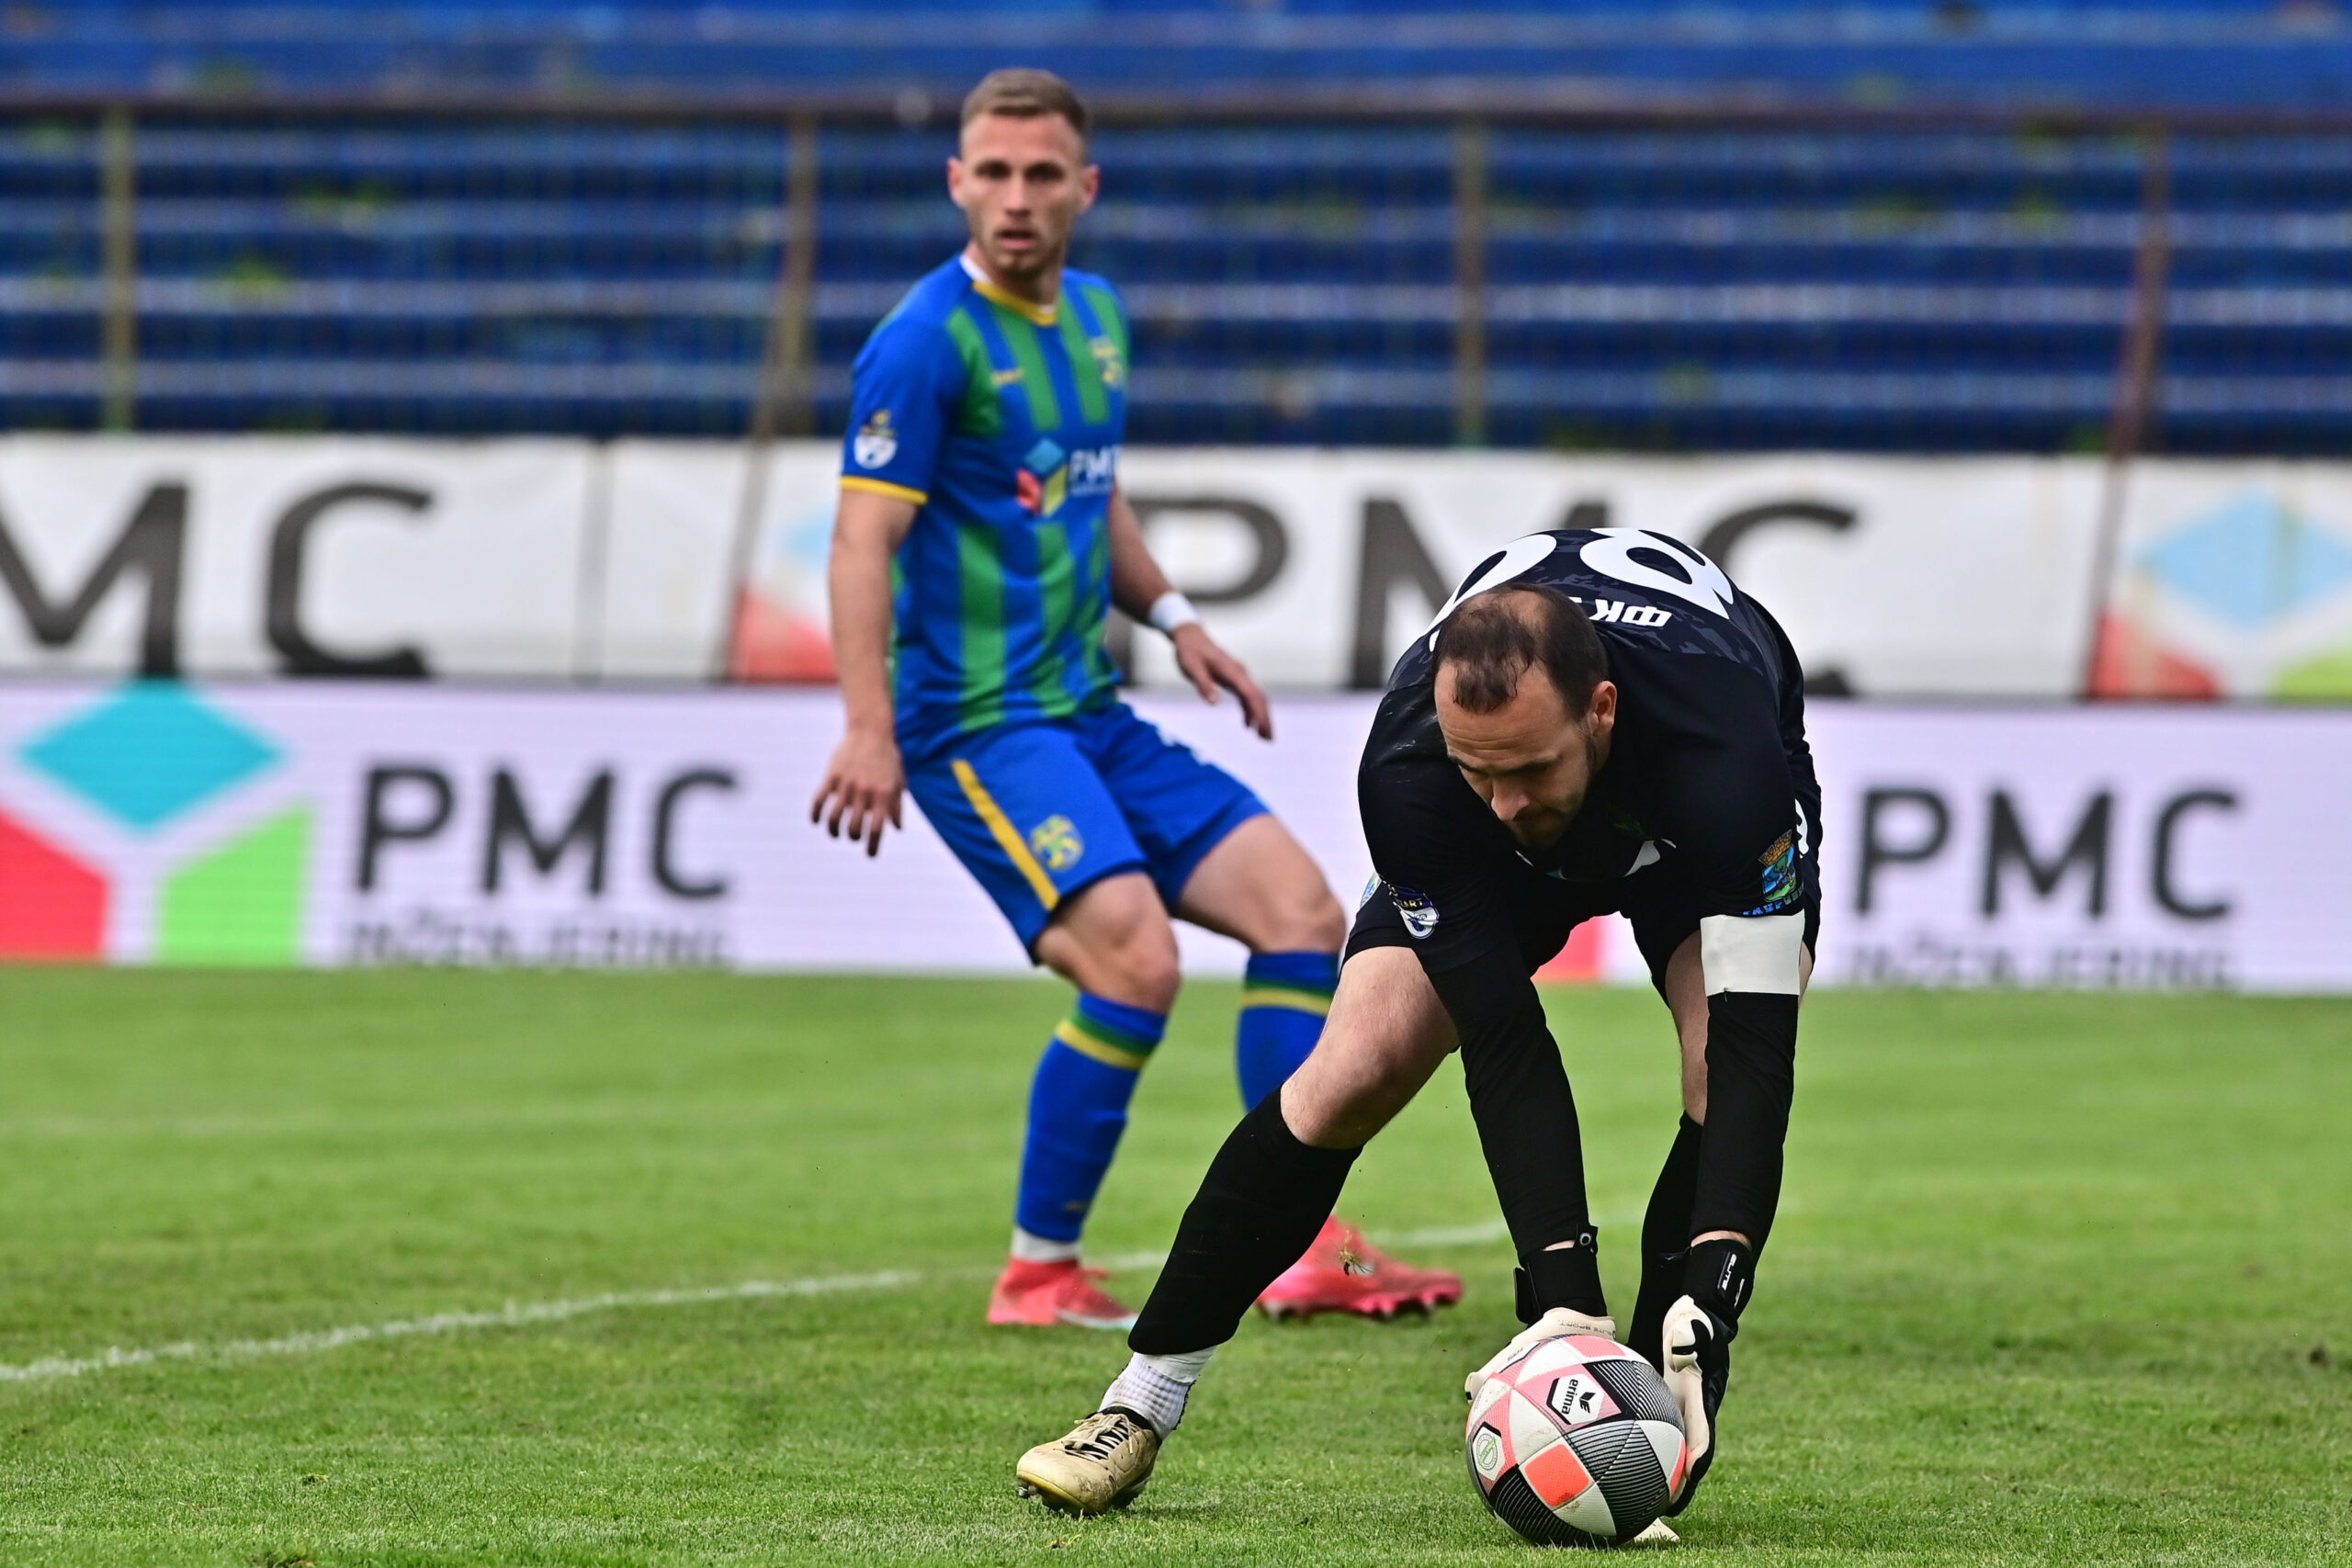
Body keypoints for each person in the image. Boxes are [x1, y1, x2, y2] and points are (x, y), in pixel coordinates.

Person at [808, 68, 1460, 1332]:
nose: (1016, 197)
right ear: (956, 182)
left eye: (1042, 174)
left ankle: (1301, 1241)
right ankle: (1037, 1269)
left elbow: (1088, 495)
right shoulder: (925, 342)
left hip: (1091, 712)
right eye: (994, 173)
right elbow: (858, 542)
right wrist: (866, 725)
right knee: (1136, 962)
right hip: (979, 725)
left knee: (1301, 910)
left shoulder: (1097, 318)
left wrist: (1175, 618)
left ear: (1085, 188)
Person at [1014, 526, 1821, 1523]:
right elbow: (1502, 1037)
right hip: (1512, 850)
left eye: (1530, 768)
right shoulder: (1412, 769)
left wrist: (1717, 1283)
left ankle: (1662, 1391)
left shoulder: (1728, 762)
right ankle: (1136, 1404)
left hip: (1688, 832)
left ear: (1601, 711)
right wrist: (1563, 1294)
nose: (1506, 802)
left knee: (1714, 1063)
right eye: (1480, 770)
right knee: (1355, 1065)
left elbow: (1754, 1052)